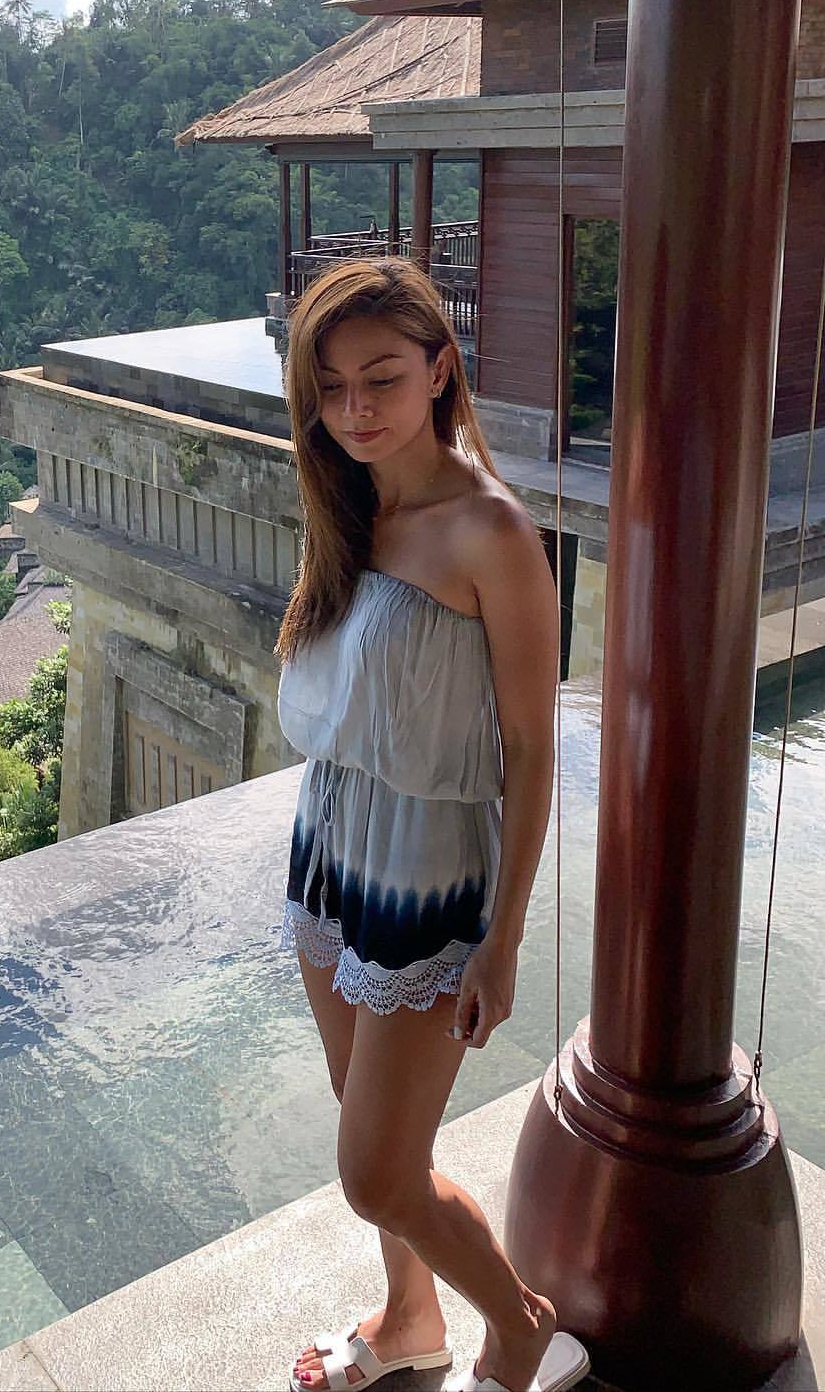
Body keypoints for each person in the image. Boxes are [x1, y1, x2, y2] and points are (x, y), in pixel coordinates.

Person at [277, 259, 589, 1392]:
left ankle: (520, 1323)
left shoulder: (491, 531)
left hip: (427, 872)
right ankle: (411, 1316)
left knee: (375, 1170)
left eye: (383, 377)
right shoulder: (350, 503)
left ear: (440, 370)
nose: (355, 407)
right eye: (331, 386)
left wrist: (503, 939)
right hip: (332, 846)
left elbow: (532, 748)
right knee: (364, 1116)